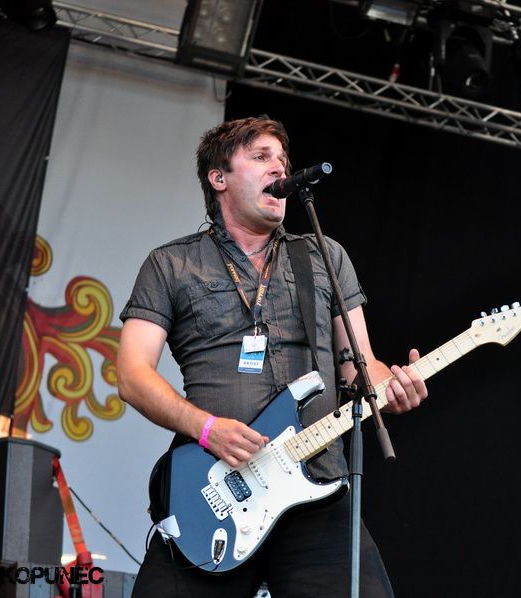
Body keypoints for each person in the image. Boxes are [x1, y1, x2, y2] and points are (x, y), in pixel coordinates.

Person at [117, 116, 427, 597]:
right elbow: (132, 375)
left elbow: (360, 366)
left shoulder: (324, 256)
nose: (279, 168)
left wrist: (394, 384)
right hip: (212, 490)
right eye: (261, 157)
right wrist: (207, 428)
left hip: (316, 484)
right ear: (218, 178)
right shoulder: (171, 264)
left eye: (282, 159)